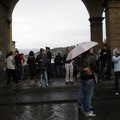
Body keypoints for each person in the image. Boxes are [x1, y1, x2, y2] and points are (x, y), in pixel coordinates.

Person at [75, 48, 98, 117]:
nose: (92, 49)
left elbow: (76, 67)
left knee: (81, 93)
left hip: (81, 78)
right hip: (89, 78)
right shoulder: (91, 57)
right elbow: (95, 68)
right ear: (88, 50)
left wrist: (82, 69)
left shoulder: (79, 57)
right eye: (91, 49)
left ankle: (80, 108)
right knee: (88, 95)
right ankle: (87, 110)